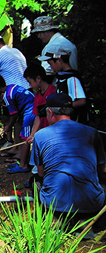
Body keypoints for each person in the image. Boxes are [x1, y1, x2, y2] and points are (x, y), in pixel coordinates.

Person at [30, 93, 105, 227]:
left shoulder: (40, 135)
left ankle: (52, 219)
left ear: (50, 112)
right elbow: (102, 169)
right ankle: (88, 221)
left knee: (34, 181)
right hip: (90, 204)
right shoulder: (92, 133)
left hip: (55, 204)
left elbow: (41, 173)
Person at [0, 74, 35, 174]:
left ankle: (23, 165)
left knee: (25, 138)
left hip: (30, 111)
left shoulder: (8, 96)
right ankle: (21, 158)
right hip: (28, 109)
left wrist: (8, 126)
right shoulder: (11, 87)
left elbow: (14, 114)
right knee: (20, 132)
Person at [38, 44, 87, 124]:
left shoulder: (72, 78)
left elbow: (82, 101)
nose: (50, 67)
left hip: (74, 122)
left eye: (50, 64)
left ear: (60, 60)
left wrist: (63, 106)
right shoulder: (60, 77)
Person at [24, 63, 56, 144]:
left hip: (53, 133)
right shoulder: (37, 96)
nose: (29, 85)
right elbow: (38, 117)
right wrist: (32, 135)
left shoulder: (53, 91)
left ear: (38, 79)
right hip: (43, 133)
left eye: (30, 82)